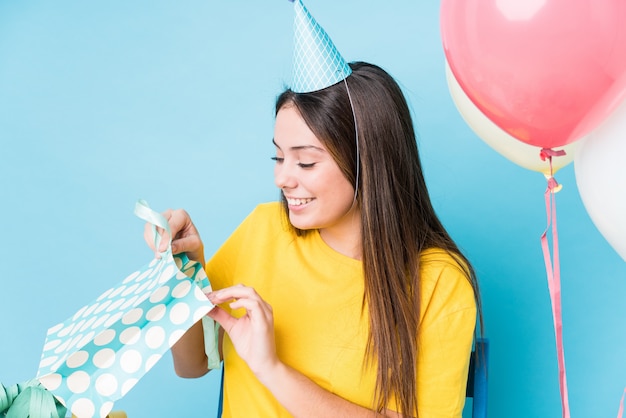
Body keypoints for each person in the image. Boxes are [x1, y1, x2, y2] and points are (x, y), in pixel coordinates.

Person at [145, 2, 481, 417]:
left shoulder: (439, 283)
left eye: (305, 161)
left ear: (368, 162)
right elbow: (192, 365)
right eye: (278, 158)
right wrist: (183, 275)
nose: (283, 179)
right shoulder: (262, 231)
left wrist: (272, 370)